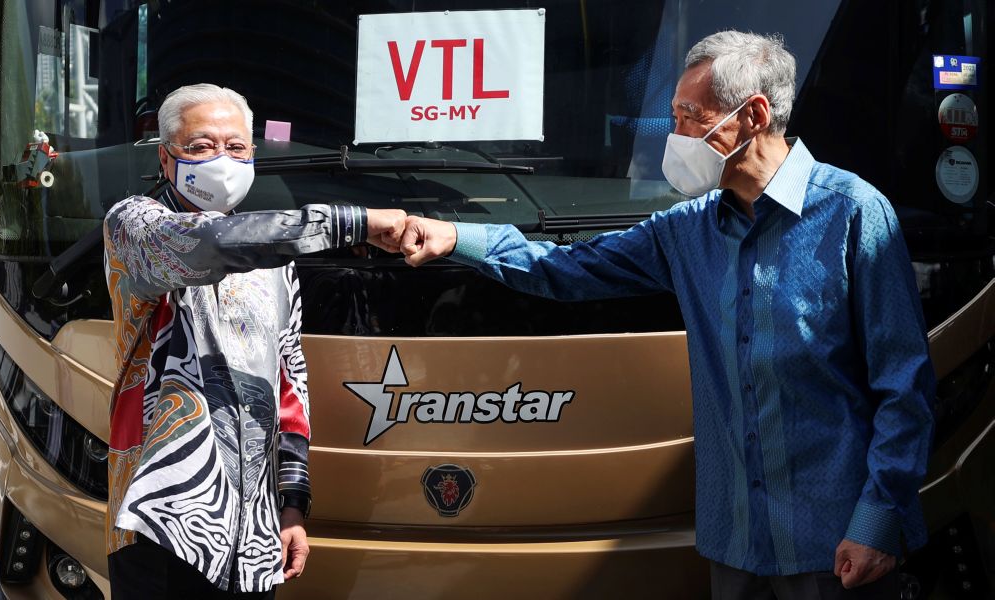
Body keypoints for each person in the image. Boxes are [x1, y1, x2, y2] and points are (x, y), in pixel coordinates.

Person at [399, 31, 935, 599]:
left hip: (839, 547)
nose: (675, 136)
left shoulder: (854, 214)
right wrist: (454, 235)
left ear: (752, 115)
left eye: (687, 117)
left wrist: (878, 518)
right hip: (737, 546)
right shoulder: (688, 229)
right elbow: (565, 267)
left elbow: (905, 388)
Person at [103, 83, 405, 598]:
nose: (222, 159)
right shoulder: (134, 224)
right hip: (158, 519)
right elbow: (207, 245)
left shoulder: (277, 259)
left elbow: (291, 386)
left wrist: (292, 501)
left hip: (254, 535)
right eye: (201, 146)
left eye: (236, 147)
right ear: (165, 156)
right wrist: (352, 223)